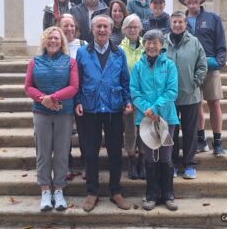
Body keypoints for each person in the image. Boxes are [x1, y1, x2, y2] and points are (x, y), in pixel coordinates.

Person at [75, 15, 133, 212]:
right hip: (90, 108)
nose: (101, 30)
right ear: (92, 29)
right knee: (90, 153)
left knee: (115, 152)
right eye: (98, 26)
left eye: (105, 27)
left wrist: (127, 101)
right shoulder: (82, 53)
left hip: (113, 108)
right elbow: (78, 82)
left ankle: (116, 191)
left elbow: (125, 81)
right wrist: (77, 102)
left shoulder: (119, 53)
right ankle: (92, 192)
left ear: (110, 30)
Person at [24, 26, 79, 211]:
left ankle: (59, 190)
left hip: (64, 113)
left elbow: (73, 87)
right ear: (45, 41)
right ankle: (45, 191)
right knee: (43, 153)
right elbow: (28, 87)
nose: (53, 41)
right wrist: (43, 100)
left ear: (62, 41)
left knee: (62, 152)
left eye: (56, 38)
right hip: (41, 113)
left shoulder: (70, 62)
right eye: (50, 38)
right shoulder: (34, 62)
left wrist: (53, 98)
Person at [130, 29, 179, 211]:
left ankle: (168, 195)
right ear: (144, 45)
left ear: (161, 45)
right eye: (148, 42)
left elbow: (172, 91)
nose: (151, 46)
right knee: (150, 157)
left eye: (155, 42)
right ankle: (151, 195)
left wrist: (156, 107)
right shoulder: (138, 66)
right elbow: (134, 92)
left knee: (166, 157)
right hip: (145, 119)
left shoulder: (169, 65)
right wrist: (147, 109)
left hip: (167, 118)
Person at [177, 0, 227, 156]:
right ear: (184, 0)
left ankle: (218, 141)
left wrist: (219, 62)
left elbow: (221, 44)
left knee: (214, 103)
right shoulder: (179, 20)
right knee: (196, 104)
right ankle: (200, 139)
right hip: (190, 71)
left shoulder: (213, 18)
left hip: (210, 67)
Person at [163, 11, 207, 179]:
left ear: (185, 24)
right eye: (174, 22)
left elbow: (202, 65)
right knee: (171, 131)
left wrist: (194, 83)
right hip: (169, 98)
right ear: (170, 23)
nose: (177, 25)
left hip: (190, 96)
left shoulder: (194, 42)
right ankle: (172, 163)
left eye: (180, 22)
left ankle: (189, 164)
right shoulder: (163, 42)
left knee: (190, 131)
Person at [59, 14, 88, 180]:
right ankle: (67, 164)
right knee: (65, 134)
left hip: (82, 95)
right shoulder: (55, 45)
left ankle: (85, 164)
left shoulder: (83, 45)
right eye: (65, 26)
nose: (69, 29)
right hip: (63, 95)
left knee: (84, 132)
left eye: (71, 26)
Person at [119, 14, 145, 180]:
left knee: (144, 130)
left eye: (136, 27)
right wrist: (126, 98)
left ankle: (142, 161)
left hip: (145, 97)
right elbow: (119, 75)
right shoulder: (119, 49)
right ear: (124, 29)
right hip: (128, 97)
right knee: (130, 131)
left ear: (140, 28)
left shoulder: (147, 45)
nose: (133, 30)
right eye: (130, 27)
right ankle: (131, 161)